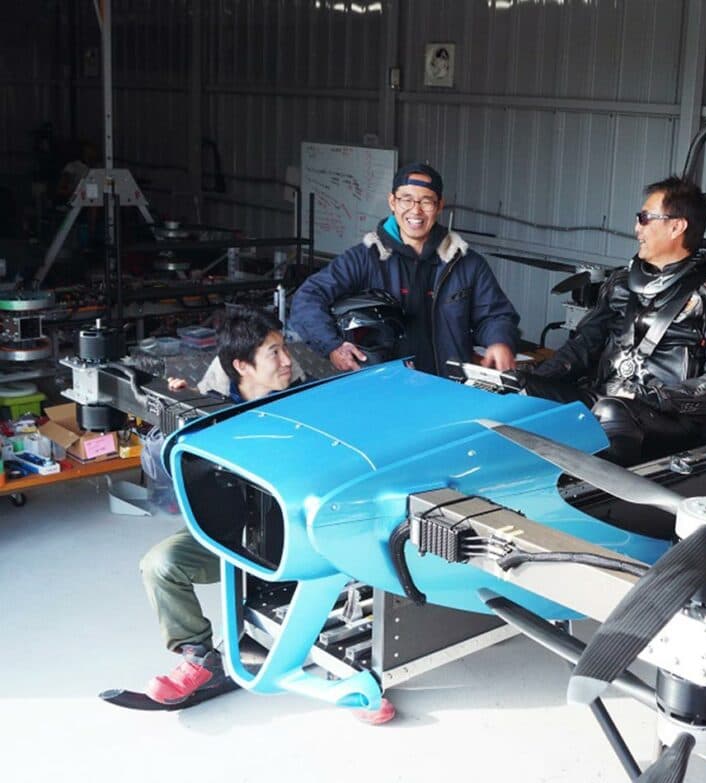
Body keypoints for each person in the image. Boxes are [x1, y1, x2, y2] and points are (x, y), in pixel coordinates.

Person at [521, 175, 706, 465]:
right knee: (520, 390)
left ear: (677, 226)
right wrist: (534, 378)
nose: (636, 228)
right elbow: (583, 345)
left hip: (667, 417)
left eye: (644, 218)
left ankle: (595, 489)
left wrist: (655, 396)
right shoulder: (620, 281)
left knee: (611, 412)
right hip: (605, 398)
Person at [138, 310, 302, 704]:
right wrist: (175, 419)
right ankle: (199, 655)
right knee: (159, 565)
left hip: (294, 537)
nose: (287, 361)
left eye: (285, 349)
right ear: (242, 366)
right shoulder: (210, 407)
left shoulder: (305, 403)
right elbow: (156, 470)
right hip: (228, 529)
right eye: (274, 353)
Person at [290, 162, 519, 375]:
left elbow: (496, 314)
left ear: (440, 205)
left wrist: (500, 341)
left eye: (426, 201)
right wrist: (332, 345)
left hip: (448, 386)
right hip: (384, 387)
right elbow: (308, 297)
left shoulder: (465, 263)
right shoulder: (365, 258)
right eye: (406, 199)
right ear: (392, 202)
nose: (415, 210)